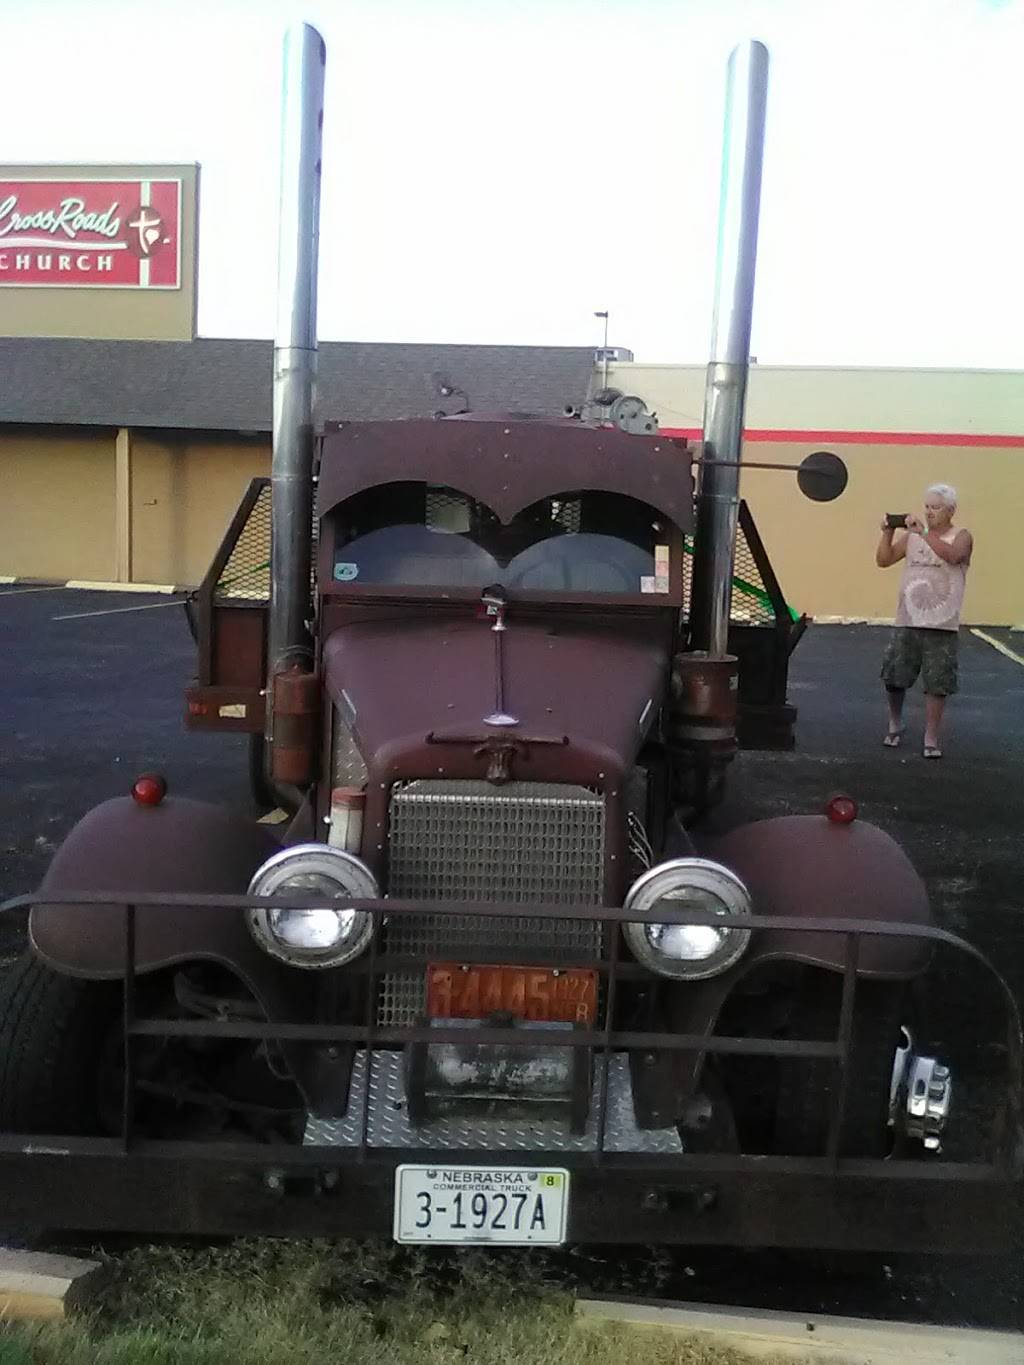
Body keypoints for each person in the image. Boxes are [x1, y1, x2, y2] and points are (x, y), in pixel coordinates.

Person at [876, 484, 973, 759]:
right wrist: (888, 532)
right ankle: (895, 722)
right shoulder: (912, 538)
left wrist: (924, 533)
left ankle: (931, 737)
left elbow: (954, 556)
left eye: (936, 508)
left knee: (937, 683)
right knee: (895, 676)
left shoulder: (961, 536)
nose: (929, 512)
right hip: (907, 619)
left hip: (942, 624)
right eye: (927, 507)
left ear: (951, 510)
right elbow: (884, 560)